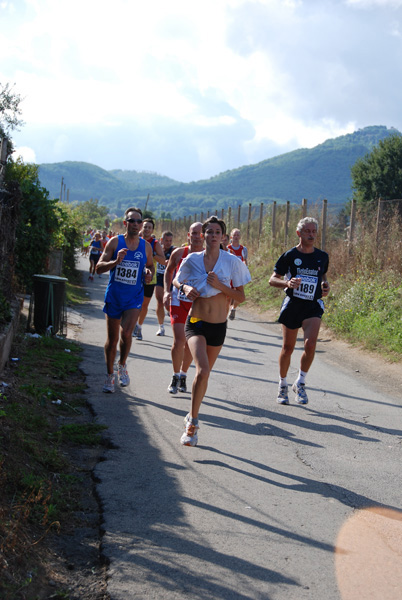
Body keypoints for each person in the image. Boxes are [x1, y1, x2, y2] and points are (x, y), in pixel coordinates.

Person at [173, 216, 251, 446]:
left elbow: (241, 297)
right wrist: (185, 287)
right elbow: (178, 281)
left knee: (204, 375)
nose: (213, 235)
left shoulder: (232, 261)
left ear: (223, 237)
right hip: (196, 321)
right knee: (203, 370)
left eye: (218, 232)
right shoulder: (192, 259)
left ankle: (191, 414)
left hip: (219, 326)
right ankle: (193, 423)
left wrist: (221, 287)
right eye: (209, 232)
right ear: (203, 235)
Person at [269, 216, 330, 405]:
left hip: (312, 305)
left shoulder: (322, 256)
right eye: (307, 231)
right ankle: (282, 384)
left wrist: (326, 286)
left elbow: (323, 276)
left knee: (310, 345)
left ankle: (301, 382)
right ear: (299, 233)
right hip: (293, 304)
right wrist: (287, 283)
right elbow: (272, 279)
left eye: (313, 231)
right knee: (288, 348)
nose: (311, 235)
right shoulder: (289, 256)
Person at [96, 207, 154, 393]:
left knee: (127, 333)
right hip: (114, 296)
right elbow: (98, 268)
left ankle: (122, 365)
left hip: (134, 298)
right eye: (132, 221)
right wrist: (115, 262)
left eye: (139, 221)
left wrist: (147, 273)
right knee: (112, 340)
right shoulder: (114, 242)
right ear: (125, 223)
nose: (136, 224)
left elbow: (150, 267)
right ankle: (109, 375)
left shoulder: (145, 246)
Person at [163, 222, 204, 394]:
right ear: (188, 235)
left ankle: (183, 374)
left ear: (204, 236)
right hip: (178, 300)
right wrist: (166, 292)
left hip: (197, 305)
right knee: (179, 340)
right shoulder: (179, 253)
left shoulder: (209, 256)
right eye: (193, 233)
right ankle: (174, 375)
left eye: (199, 233)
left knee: (190, 343)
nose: (196, 236)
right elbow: (168, 271)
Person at [133, 218, 165, 341]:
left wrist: (152, 255)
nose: (146, 229)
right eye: (145, 226)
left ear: (152, 230)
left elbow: (163, 260)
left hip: (149, 279)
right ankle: (132, 325)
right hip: (135, 278)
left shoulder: (155, 243)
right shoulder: (135, 239)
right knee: (133, 303)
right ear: (141, 227)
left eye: (149, 227)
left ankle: (139, 327)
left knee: (144, 305)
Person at [154, 231, 175, 337]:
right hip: (159, 276)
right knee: (159, 300)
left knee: (168, 303)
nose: (168, 243)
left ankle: (170, 311)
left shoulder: (173, 251)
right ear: (161, 240)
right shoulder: (157, 250)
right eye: (166, 240)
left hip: (170, 278)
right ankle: (161, 327)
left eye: (170, 241)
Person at [227, 228, 248, 320]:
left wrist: (245, 273)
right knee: (227, 297)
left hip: (238, 276)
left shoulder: (243, 249)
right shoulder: (227, 248)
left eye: (237, 235)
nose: (236, 237)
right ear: (231, 237)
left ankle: (233, 308)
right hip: (228, 276)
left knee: (240, 297)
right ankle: (224, 316)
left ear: (240, 237)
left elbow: (245, 262)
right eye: (234, 235)